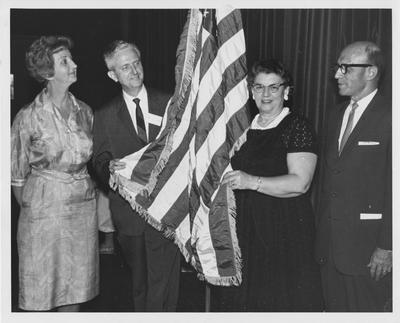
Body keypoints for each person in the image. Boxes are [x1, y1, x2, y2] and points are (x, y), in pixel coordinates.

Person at [220, 59, 323, 311]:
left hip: (283, 229)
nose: (265, 94)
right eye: (259, 87)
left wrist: (251, 182)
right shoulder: (242, 128)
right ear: (251, 91)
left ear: (286, 92)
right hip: (246, 229)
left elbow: (300, 183)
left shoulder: (297, 126)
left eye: (273, 87)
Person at [10, 35, 99, 311]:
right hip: (43, 214)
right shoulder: (27, 116)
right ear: (48, 73)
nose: (74, 64)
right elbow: (16, 175)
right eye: (65, 61)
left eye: (70, 58)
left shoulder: (85, 111)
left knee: (75, 289)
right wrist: (36, 210)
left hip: (82, 211)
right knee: (42, 289)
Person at [92, 40, 181, 312]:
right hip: (129, 215)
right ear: (113, 75)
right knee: (140, 284)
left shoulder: (169, 103)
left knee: (165, 283)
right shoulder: (104, 115)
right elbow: (99, 159)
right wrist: (109, 169)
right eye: (125, 67)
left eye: (136, 63)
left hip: (166, 211)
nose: (133, 71)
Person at [315, 41, 392, 311]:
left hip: (368, 251)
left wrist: (387, 247)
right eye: (337, 67)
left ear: (371, 72)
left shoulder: (390, 116)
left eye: (345, 68)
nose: (337, 74)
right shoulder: (335, 115)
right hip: (330, 248)